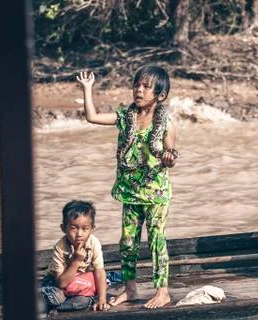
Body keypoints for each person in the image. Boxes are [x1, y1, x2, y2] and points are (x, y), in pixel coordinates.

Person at [76, 65, 177, 309]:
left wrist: (168, 158)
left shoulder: (166, 121)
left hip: (155, 192)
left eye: (146, 87)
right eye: (136, 85)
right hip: (130, 190)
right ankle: (130, 290)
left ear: (160, 95)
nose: (139, 90)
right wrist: (88, 89)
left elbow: (170, 154)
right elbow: (92, 117)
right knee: (128, 242)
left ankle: (162, 292)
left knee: (156, 239)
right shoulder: (125, 117)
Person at [41, 200, 109, 312]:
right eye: (74, 228)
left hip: (80, 283)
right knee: (55, 296)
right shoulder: (60, 247)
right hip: (58, 282)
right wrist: (76, 261)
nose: (79, 234)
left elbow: (100, 272)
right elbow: (61, 283)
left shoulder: (94, 243)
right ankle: (50, 301)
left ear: (92, 228)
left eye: (85, 229)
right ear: (63, 228)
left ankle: (55, 307)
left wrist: (102, 299)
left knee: (84, 301)